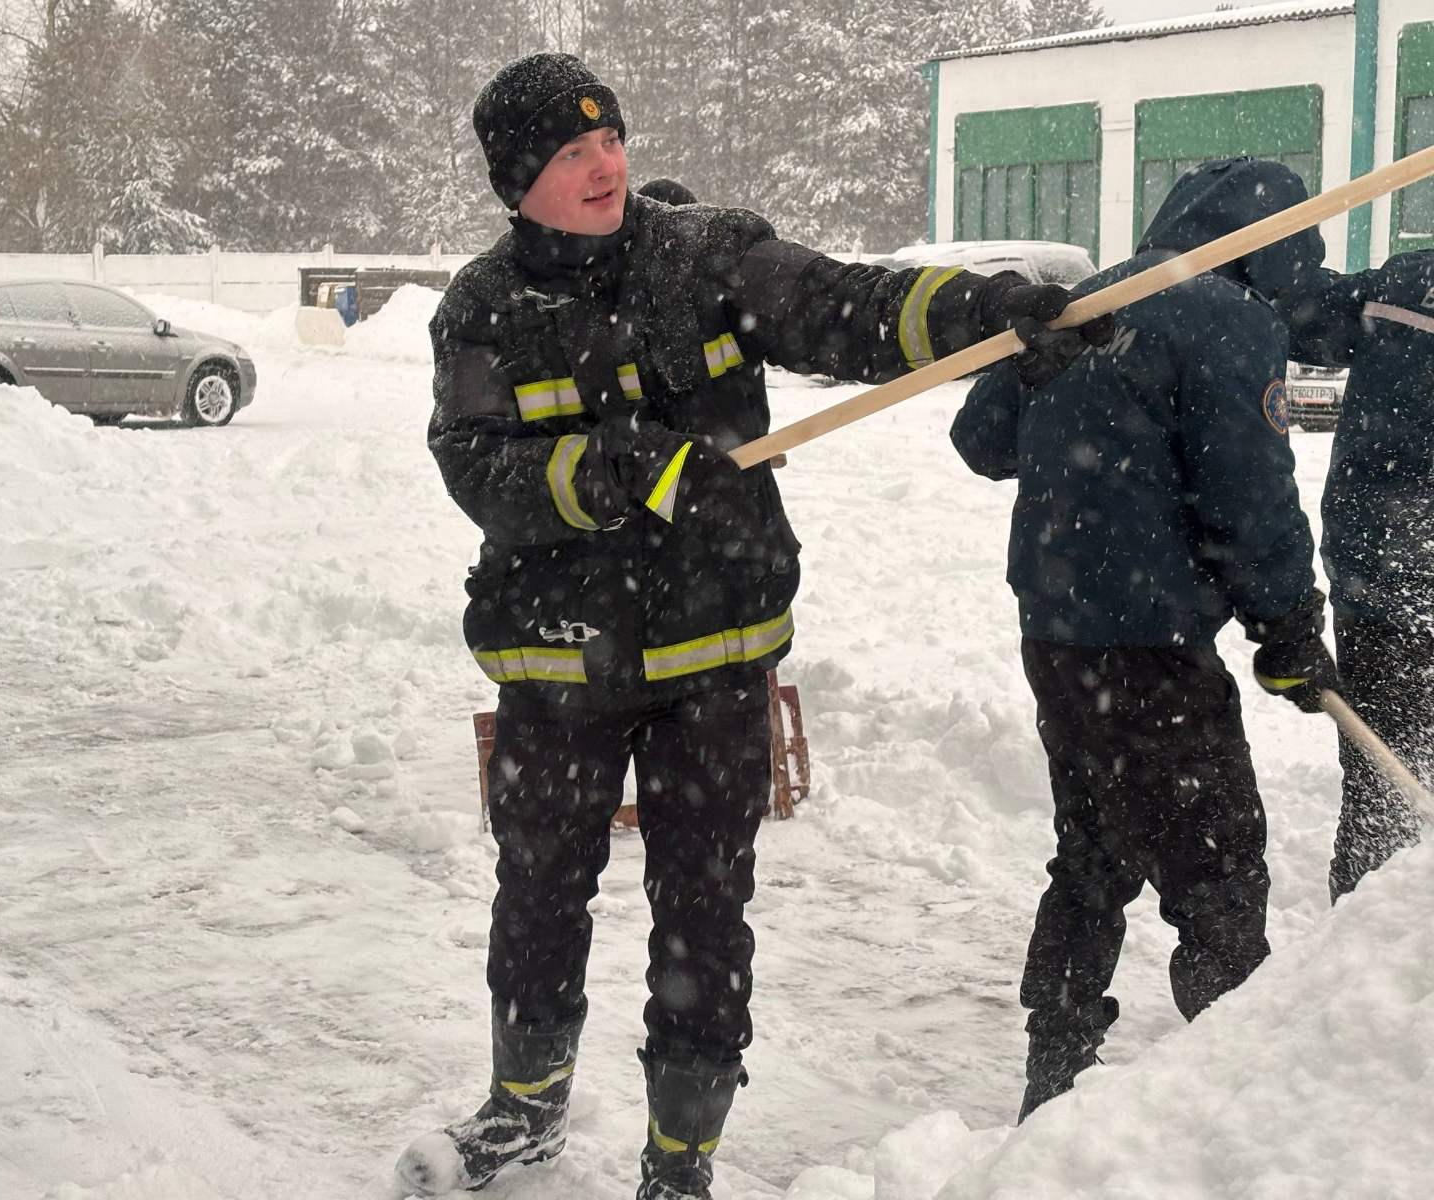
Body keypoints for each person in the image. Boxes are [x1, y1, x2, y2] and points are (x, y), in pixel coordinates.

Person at [396, 52, 1111, 1200]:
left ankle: (680, 1162)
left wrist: (994, 309)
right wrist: (605, 469)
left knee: (702, 916)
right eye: (572, 153)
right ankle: (523, 1110)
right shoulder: (481, 310)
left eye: (611, 139)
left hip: (715, 657)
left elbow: (851, 306)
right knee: (535, 898)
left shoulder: (703, 255)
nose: (605, 166)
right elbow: (477, 470)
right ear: (516, 178)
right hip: (554, 660)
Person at [950, 157, 1341, 1124]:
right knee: (1217, 867)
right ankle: (1235, 1106)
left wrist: (1026, 361)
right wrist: (1287, 621)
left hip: (1059, 635)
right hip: (1151, 645)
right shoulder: (1227, 317)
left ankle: (1056, 1071)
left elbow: (980, 441)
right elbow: (1250, 497)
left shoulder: (1095, 299)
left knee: (1092, 849)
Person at [1280, 252, 1434, 901]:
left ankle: (1368, 960)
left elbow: (1296, 312)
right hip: (1391, 584)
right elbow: (1295, 315)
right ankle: (1369, 971)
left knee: (1385, 790)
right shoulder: (1406, 286)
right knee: (1386, 794)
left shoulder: (1408, 283)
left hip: (1384, 578)